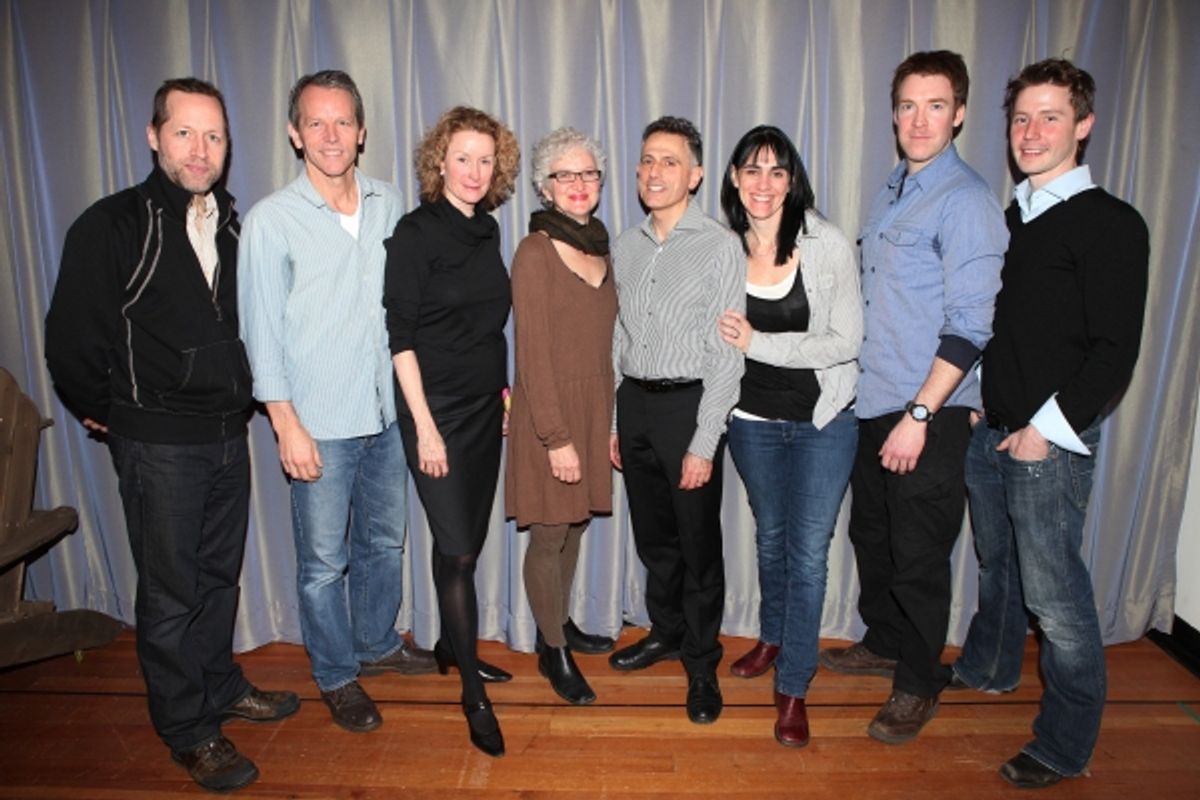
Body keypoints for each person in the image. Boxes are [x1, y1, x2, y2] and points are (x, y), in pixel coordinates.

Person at [44, 78, 298, 793]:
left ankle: (219, 686)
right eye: (185, 133)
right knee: (169, 592)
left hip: (227, 435)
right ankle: (187, 727)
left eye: (214, 136)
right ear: (154, 136)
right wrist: (107, 407)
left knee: (218, 578)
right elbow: (68, 338)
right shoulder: (113, 224)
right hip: (158, 445)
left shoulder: (231, 227)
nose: (201, 149)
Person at [948, 59, 1149, 789]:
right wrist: (979, 397)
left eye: (1051, 117)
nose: (1031, 133)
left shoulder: (1111, 224)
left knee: (1057, 601)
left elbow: (1112, 352)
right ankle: (990, 667)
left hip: (1047, 444)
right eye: (1022, 118)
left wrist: (1043, 428)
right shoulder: (1014, 219)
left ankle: (1065, 745)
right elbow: (1006, 327)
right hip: (988, 428)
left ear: (1084, 125)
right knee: (998, 570)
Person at [817, 50, 1007, 745]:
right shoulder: (895, 188)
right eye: (906, 105)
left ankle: (920, 681)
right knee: (874, 535)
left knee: (921, 553)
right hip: (874, 400)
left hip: (927, 410)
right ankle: (887, 639)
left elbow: (972, 324)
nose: (918, 119)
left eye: (934, 105)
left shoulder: (966, 201)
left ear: (958, 113)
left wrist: (922, 415)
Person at [239, 70, 435, 736]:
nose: (330, 135)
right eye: (315, 122)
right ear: (295, 133)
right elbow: (260, 333)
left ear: (362, 131)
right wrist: (284, 424)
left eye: (342, 121)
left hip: (385, 415)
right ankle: (335, 673)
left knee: (385, 542)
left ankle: (377, 643)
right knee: (324, 562)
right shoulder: (271, 221)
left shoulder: (390, 204)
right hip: (317, 424)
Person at [716, 126, 861, 748]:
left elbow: (846, 342)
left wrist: (759, 343)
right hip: (752, 425)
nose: (764, 184)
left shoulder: (824, 244)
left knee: (808, 553)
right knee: (770, 540)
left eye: (777, 172)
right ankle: (772, 637)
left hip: (824, 422)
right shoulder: (722, 250)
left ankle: (795, 684)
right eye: (752, 170)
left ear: (792, 180)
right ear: (733, 179)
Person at [384, 105, 520, 757]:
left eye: (485, 159)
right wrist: (425, 427)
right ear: (439, 161)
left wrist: (503, 391)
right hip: (434, 413)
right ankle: (471, 689)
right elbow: (401, 339)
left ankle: (448, 643)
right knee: (460, 548)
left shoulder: (488, 231)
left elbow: (488, 326)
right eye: (462, 156)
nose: (473, 170)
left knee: (460, 544)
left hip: (482, 410)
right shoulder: (414, 233)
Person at [607, 116, 745, 726]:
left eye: (669, 161)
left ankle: (701, 661)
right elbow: (620, 331)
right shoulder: (625, 244)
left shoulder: (718, 245)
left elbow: (727, 351)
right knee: (654, 537)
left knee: (697, 546)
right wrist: (615, 420)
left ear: (694, 174)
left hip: (689, 406)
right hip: (635, 404)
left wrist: (705, 440)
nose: (654, 171)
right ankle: (664, 631)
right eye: (646, 160)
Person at [505, 127, 618, 706]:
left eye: (588, 174)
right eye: (564, 175)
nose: (578, 185)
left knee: (575, 525)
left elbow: (610, 344)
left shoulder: (601, 244)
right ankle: (553, 650)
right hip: (550, 412)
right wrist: (555, 437)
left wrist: (611, 424)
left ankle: (562, 624)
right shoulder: (534, 251)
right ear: (545, 187)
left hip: (594, 407)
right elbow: (533, 353)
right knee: (549, 534)